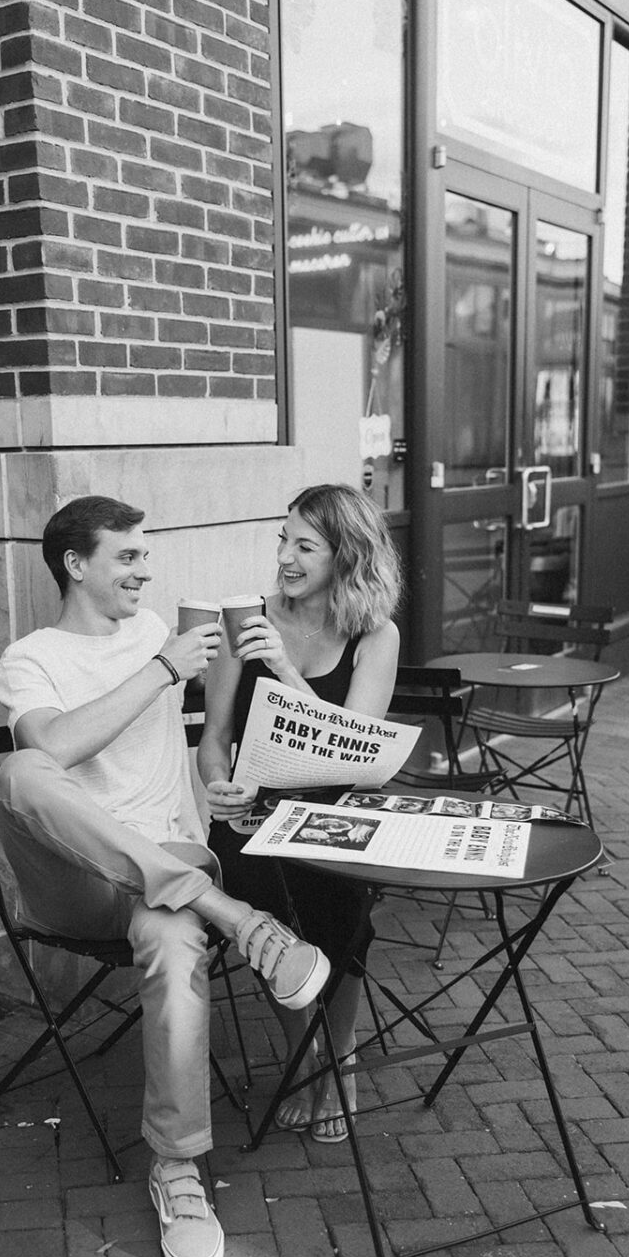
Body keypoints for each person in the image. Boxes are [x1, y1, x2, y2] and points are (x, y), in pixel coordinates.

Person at [0, 496, 334, 1257]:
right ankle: (237, 918)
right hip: (76, 880)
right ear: (77, 566)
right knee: (20, 771)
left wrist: (226, 762)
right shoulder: (32, 657)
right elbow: (54, 745)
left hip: (172, 864)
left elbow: (216, 735)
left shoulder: (159, 633)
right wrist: (159, 671)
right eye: (128, 557)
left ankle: (178, 1172)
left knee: (172, 928)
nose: (145, 571)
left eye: (146, 556)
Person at [198, 483, 402, 1143]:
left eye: (305, 545)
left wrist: (285, 668)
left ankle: (339, 1061)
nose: (285, 556)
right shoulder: (245, 621)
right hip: (252, 815)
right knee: (261, 914)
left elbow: (356, 745)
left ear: (347, 556)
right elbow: (214, 740)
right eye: (282, 539)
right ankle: (297, 1056)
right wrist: (217, 786)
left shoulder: (376, 634)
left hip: (335, 813)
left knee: (339, 918)